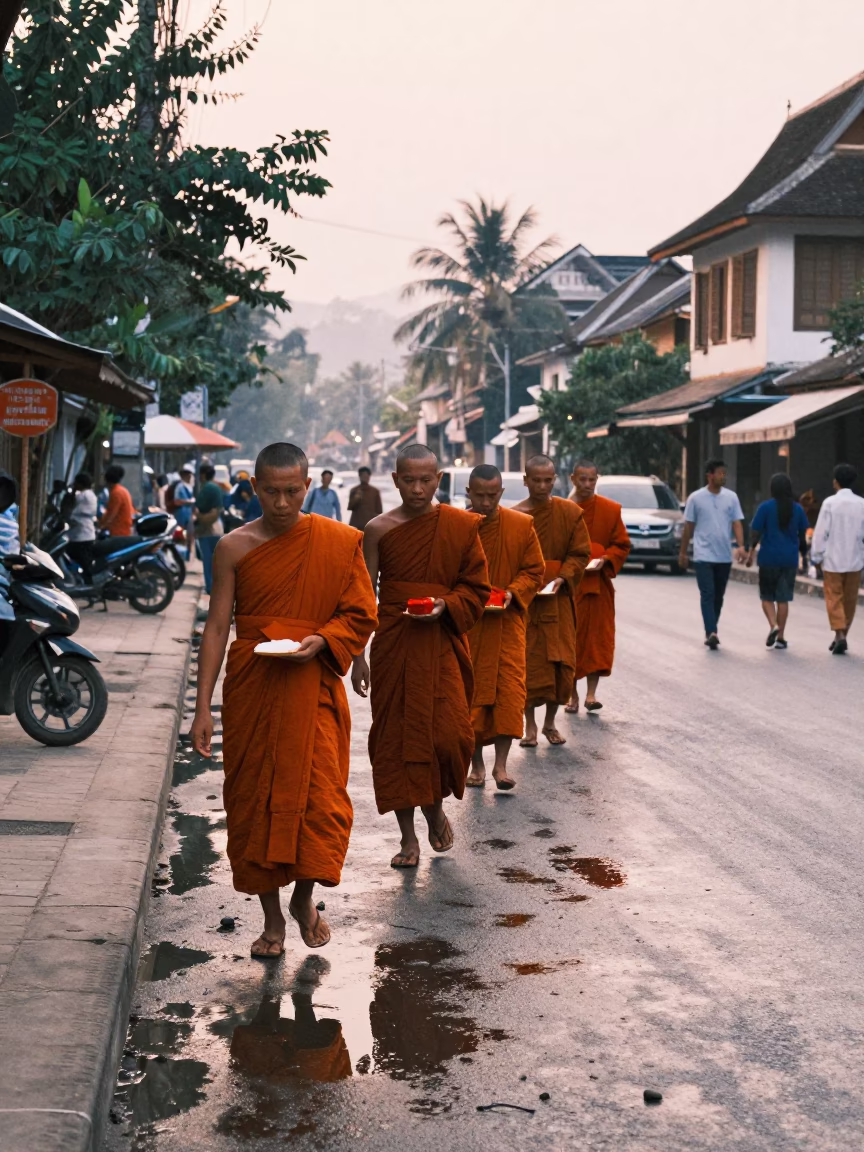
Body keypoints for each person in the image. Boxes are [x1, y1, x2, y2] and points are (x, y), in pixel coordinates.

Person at [189, 442, 377, 957]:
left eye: (293, 491)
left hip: (312, 684)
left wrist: (325, 640)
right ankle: (272, 920)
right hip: (253, 685)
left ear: (308, 486)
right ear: (253, 487)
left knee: (319, 799)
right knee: (255, 801)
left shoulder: (338, 542)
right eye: (270, 491)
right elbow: (217, 626)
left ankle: (304, 899)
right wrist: (202, 707)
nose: (281, 502)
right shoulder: (233, 547)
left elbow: (360, 612)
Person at [351, 444, 490, 868]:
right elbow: (360, 595)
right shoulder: (377, 529)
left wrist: (446, 605)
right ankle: (408, 838)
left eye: (425, 480)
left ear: (440, 480)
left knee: (447, 736)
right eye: (408, 480)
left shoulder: (460, 526)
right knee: (396, 742)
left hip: (440, 642)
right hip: (394, 641)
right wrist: (358, 655)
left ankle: (435, 809)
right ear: (394, 480)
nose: (417, 488)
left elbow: (477, 588)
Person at [464, 464, 544, 790]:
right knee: (471, 697)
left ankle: (501, 767)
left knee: (508, 694)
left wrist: (512, 592)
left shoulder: (521, 525)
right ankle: (477, 766)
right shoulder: (458, 526)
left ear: (501, 493)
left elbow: (534, 570)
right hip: (470, 624)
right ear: (468, 493)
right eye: (479, 495)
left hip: (508, 622)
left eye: (492, 495)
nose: (485, 502)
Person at [513, 455, 591, 747]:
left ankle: (549, 723)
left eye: (548, 480)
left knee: (562, 662)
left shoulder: (569, 513)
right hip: (527, 600)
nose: (542, 486)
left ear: (555, 480)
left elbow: (580, 553)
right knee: (527, 662)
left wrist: (563, 577)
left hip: (558, 600)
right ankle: (529, 725)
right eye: (536, 480)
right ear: (526, 480)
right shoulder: (516, 516)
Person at [566, 460, 631, 713]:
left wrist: (605, 559)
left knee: (596, 639)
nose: (587, 485)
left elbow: (622, 544)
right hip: (570, 585)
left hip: (598, 586)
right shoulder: (565, 510)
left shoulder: (610, 510)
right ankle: (571, 696)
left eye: (592, 479)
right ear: (573, 479)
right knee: (570, 641)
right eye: (582, 479)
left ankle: (591, 695)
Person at [678, 459, 746, 649]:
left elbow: (737, 523)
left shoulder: (731, 497)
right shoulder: (696, 498)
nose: (723, 476)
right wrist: (683, 552)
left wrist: (741, 546)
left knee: (718, 595)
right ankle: (711, 631)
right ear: (710, 475)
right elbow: (688, 526)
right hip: (703, 555)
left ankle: (712, 627)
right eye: (720, 473)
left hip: (724, 555)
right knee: (707, 593)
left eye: (725, 473)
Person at [746, 473, 809, 650]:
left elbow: (755, 533)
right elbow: (802, 537)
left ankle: (773, 625)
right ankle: (780, 637)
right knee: (783, 599)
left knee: (767, 597)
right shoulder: (797, 509)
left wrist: (751, 553)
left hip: (768, 558)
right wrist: (804, 556)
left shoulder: (765, 508)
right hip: (789, 559)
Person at [810, 462, 864, 655]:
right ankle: (841, 635)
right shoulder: (861, 504)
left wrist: (816, 555)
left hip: (833, 559)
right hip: (855, 560)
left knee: (834, 598)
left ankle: (839, 634)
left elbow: (820, 533)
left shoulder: (829, 503)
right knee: (849, 600)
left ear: (835, 482)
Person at [195, 462, 225, 594]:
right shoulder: (217, 487)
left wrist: (197, 512)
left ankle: (210, 587)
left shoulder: (206, 487)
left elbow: (199, 505)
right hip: (218, 526)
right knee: (216, 561)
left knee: (207, 561)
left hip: (207, 529)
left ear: (203, 474)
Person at [65, 471, 98, 583]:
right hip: (84, 533)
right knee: (84, 561)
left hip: (81, 535)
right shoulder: (90, 494)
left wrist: (73, 490)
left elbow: (70, 504)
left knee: (82, 560)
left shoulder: (83, 495)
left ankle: (88, 583)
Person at [98, 464, 136, 537]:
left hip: (118, 531)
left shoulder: (116, 493)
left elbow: (111, 514)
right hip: (124, 529)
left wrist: (101, 526)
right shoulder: (122, 490)